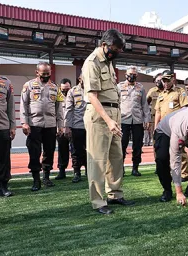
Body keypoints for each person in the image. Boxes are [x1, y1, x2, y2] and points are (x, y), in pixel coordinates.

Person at [82, 29, 134, 215]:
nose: (117, 53)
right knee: (97, 159)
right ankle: (98, 201)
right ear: (104, 45)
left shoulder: (109, 62)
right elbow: (92, 96)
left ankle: (115, 194)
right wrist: (109, 120)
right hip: (99, 115)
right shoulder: (92, 62)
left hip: (114, 112)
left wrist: (115, 119)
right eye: (114, 49)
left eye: (120, 50)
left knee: (116, 157)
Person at [20, 62, 64, 191]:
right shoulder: (28, 85)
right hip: (34, 124)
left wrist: (60, 125)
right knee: (34, 152)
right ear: (37, 72)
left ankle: (46, 177)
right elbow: (24, 104)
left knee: (49, 151)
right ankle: (36, 180)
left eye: (48, 73)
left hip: (50, 125)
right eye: (43, 74)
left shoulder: (55, 87)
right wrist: (24, 122)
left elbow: (59, 108)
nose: (46, 76)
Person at [154, 70, 188, 182]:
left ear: (173, 79)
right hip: (164, 128)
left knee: (180, 150)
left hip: (176, 126)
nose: (165, 83)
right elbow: (158, 112)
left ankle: (184, 174)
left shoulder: (180, 92)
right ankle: (170, 171)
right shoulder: (161, 95)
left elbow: (185, 108)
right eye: (163, 81)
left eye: (167, 80)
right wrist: (156, 126)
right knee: (165, 151)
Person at [118, 66, 150, 176]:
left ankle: (135, 168)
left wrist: (147, 120)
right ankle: (120, 168)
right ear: (125, 74)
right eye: (130, 73)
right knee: (122, 144)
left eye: (134, 74)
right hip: (123, 120)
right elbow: (116, 104)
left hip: (137, 120)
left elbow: (144, 105)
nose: (132, 76)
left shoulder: (140, 88)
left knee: (137, 145)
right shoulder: (119, 87)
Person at [64, 75, 87, 183]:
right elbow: (69, 110)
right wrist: (67, 126)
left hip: (91, 126)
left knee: (91, 150)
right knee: (76, 151)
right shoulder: (72, 91)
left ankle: (89, 171)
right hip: (77, 126)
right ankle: (76, 172)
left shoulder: (94, 90)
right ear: (80, 79)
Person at [0, 76, 15, 197]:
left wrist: (12, 126)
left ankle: (3, 186)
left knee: (4, 159)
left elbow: (10, 106)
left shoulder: (5, 82)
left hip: (3, 126)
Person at [55, 78, 72, 180]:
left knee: (76, 150)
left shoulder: (75, 95)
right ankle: (62, 171)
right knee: (62, 150)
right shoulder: (57, 97)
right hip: (61, 128)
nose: (65, 91)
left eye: (67, 89)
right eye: (63, 89)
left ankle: (77, 171)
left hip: (72, 127)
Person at [145, 73, 164, 147]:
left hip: (167, 117)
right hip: (154, 118)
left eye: (161, 80)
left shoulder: (170, 91)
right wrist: (147, 119)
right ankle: (157, 157)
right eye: (157, 80)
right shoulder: (152, 91)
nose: (159, 82)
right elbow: (145, 105)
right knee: (156, 139)